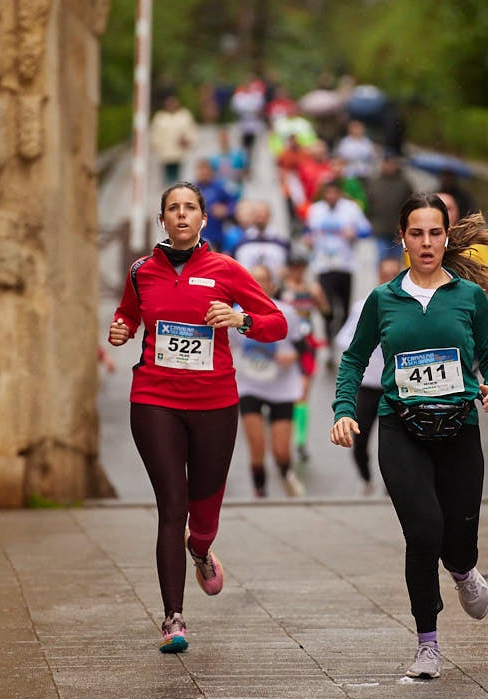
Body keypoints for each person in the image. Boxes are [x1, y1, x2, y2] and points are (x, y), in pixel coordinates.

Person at [330, 192, 488, 681]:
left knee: (458, 538)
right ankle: (427, 644)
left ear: (446, 237)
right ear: (402, 239)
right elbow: (353, 359)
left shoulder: (469, 298)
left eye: (435, 233)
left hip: (459, 430)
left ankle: (464, 569)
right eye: (417, 233)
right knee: (422, 530)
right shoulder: (383, 299)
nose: (426, 242)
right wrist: (345, 411)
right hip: (400, 427)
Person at [107, 181, 287, 654]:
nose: (182, 215)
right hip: (154, 398)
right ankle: (173, 618)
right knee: (173, 503)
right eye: (173, 208)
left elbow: (277, 323)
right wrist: (122, 329)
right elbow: (127, 315)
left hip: (214, 404)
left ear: (203, 219)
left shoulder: (226, 270)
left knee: (202, 513)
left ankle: (201, 547)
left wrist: (239, 319)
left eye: (190, 208)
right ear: (161, 219)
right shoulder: (141, 271)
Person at [232, 263, 305, 498]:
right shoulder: (235, 314)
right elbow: (225, 346)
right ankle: (260, 493)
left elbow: (304, 346)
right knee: (257, 447)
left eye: (263, 280)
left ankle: (286, 474)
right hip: (249, 385)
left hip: (282, 387)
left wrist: (293, 356)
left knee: (281, 451)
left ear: (272, 285)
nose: (258, 285)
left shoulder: (288, 312)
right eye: (253, 280)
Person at [334, 255, 402, 494]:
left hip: (398, 389)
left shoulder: (411, 308)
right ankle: (366, 477)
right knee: (359, 442)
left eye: (395, 274)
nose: (390, 279)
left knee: (394, 444)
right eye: (386, 275)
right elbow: (344, 342)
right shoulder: (364, 307)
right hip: (369, 386)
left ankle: (392, 486)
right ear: (378, 277)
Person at [302, 178, 372, 356]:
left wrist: (355, 233)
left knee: (344, 307)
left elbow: (367, 229)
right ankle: (329, 340)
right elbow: (307, 230)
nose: (331, 196)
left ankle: (340, 339)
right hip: (322, 265)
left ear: (339, 193)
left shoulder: (351, 209)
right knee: (327, 307)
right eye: (328, 193)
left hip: (345, 265)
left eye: (335, 193)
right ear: (324, 194)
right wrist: (308, 239)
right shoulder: (316, 210)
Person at [279, 248, 329, 461]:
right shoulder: (281, 290)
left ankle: (299, 441)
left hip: (307, 344)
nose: (298, 271)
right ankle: (283, 432)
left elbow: (327, 313)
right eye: (294, 267)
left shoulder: (312, 288)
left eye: (301, 267)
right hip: (286, 344)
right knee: (286, 393)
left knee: (303, 392)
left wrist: (320, 298)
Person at [435, 191, 488, 296]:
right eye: (438, 208)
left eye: (448, 208)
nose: (444, 213)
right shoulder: (418, 245)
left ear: (457, 212)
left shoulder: (473, 245)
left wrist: (465, 269)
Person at [365, 151, 415, 261]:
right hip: (379, 229)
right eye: (387, 163)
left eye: (392, 163)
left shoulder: (404, 184)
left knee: (396, 263)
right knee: (381, 260)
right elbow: (368, 205)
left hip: (397, 231)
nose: (389, 166)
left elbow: (411, 206)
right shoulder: (374, 182)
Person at [232, 200, 291, 278]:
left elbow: (289, 268)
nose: (260, 218)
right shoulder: (240, 242)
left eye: (263, 214)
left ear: (269, 216)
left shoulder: (282, 243)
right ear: (252, 216)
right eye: (258, 215)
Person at [149, 93, 198, 184]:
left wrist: (187, 140)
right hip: (165, 152)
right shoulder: (160, 117)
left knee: (179, 175)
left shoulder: (184, 115)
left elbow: (191, 131)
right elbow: (155, 135)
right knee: (168, 175)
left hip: (180, 152)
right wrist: (156, 146)